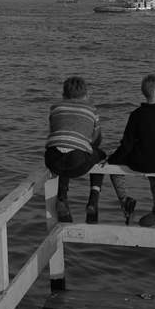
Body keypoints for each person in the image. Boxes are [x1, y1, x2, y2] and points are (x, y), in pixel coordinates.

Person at [91, 74, 155, 227]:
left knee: (115, 169)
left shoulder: (136, 115)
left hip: (139, 162)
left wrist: (111, 160)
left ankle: (124, 200)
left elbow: (127, 146)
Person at [45, 76, 108, 222]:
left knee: (65, 149)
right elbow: (97, 140)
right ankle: (93, 199)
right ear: (87, 95)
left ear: (63, 95)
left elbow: (53, 131)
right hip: (77, 163)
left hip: (52, 159)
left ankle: (62, 198)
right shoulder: (92, 110)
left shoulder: (55, 108)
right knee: (100, 155)